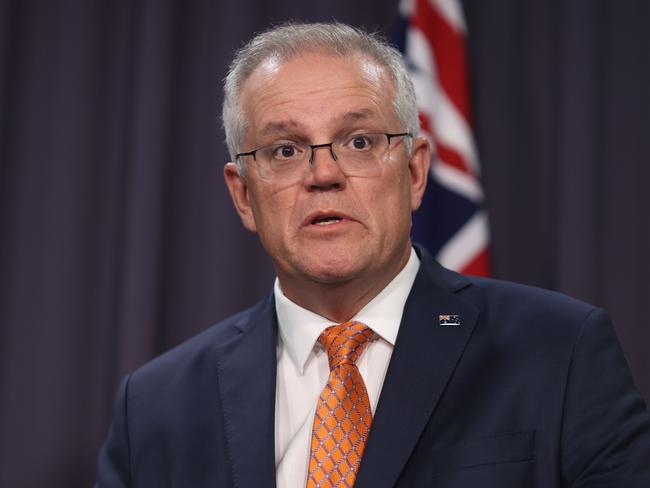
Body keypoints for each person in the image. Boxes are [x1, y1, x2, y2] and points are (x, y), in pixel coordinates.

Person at [96, 22, 650, 487]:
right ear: (244, 195)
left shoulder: (560, 351)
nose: (324, 174)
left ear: (414, 172)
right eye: (285, 150)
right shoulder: (153, 407)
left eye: (359, 141)